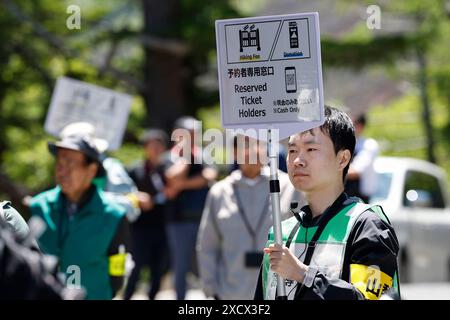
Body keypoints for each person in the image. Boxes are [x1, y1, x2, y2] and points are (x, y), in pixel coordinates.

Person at [255, 106, 400, 300]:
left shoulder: (366, 225)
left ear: (342, 159)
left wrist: (303, 274)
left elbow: (368, 298)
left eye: (311, 149)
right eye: (292, 150)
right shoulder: (281, 232)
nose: (297, 160)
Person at [196, 135, 305, 300]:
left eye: (256, 144)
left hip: (280, 291)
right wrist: (211, 290)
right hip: (231, 293)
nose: (252, 151)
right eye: (244, 145)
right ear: (234, 152)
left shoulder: (288, 186)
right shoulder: (219, 192)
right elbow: (207, 245)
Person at [30, 130, 130, 300]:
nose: (63, 171)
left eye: (70, 164)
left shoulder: (114, 215)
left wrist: (112, 291)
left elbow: (117, 264)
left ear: (91, 170)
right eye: (59, 164)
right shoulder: (39, 206)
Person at [165, 116, 218, 300]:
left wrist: (182, 184)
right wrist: (187, 158)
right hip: (178, 221)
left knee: (205, 262)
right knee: (180, 265)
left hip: (203, 218)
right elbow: (171, 180)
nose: (193, 138)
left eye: (195, 134)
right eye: (189, 134)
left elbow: (210, 175)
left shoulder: (203, 154)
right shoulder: (170, 156)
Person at [123, 129, 170, 300]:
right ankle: (127, 296)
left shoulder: (170, 170)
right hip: (139, 226)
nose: (155, 149)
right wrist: (137, 198)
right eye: (152, 145)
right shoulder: (135, 170)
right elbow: (123, 192)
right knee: (135, 266)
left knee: (159, 268)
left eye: (159, 145)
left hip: (163, 225)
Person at [345, 114, 379, 203]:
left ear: (360, 126)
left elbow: (356, 172)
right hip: (344, 194)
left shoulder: (369, 145)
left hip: (360, 197)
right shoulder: (344, 144)